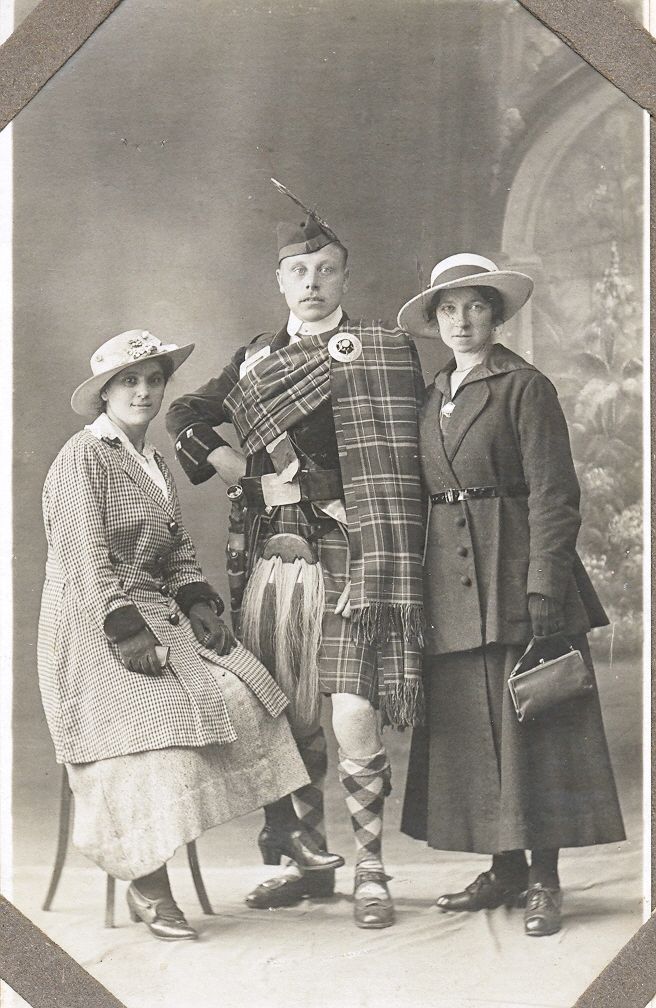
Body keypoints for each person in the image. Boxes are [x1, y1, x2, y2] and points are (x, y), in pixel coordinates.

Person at [166, 198, 425, 928]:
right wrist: (235, 466)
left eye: (326, 270)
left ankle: (370, 869)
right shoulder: (254, 359)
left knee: (354, 712)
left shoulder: (380, 348)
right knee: (288, 715)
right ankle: (309, 864)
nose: (312, 283)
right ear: (280, 280)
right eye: (299, 271)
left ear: (345, 277)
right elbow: (184, 414)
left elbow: (405, 454)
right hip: (274, 554)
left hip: (356, 547)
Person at [37, 328, 343, 943]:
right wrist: (125, 630)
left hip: (156, 611)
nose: (144, 392)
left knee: (250, 687)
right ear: (104, 393)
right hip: (90, 622)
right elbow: (84, 557)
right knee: (149, 726)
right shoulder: (82, 456)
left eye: (154, 380)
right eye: (130, 381)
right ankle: (148, 881)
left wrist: (198, 601)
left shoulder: (151, 461)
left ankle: (281, 826)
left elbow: (176, 549)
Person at [397, 253, 625, 937]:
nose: (462, 320)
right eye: (448, 309)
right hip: (450, 584)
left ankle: (544, 879)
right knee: (475, 724)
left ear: (495, 315)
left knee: (535, 726)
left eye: (475, 306)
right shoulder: (429, 398)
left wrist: (544, 583)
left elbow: (556, 493)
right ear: (436, 321)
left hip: (517, 569)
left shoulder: (526, 387)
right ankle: (504, 869)